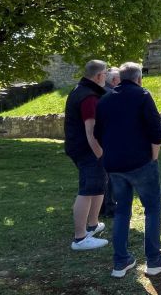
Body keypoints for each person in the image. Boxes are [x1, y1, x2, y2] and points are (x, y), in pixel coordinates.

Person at [95, 62, 161, 278]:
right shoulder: (142, 95)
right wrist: (154, 157)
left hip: (114, 165)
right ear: (139, 78)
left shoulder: (105, 100)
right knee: (152, 208)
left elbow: (98, 132)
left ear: (120, 79)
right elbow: (156, 130)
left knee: (122, 210)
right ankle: (154, 259)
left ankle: (120, 261)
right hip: (141, 163)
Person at [64, 59, 109, 251]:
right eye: (105, 73)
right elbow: (90, 132)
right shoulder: (88, 97)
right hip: (87, 150)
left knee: (98, 184)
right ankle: (80, 238)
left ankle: (92, 225)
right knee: (87, 189)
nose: (106, 77)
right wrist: (100, 155)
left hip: (82, 147)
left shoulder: (80, 90)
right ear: (99, 76)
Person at [100, 66, 121, 218]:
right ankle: (110, 207)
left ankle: (101, 207)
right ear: (114, 80)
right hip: (109, 141)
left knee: (101, 176)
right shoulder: (111, 94)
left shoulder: (100, 93)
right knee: (110, 177)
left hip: (99, 141)